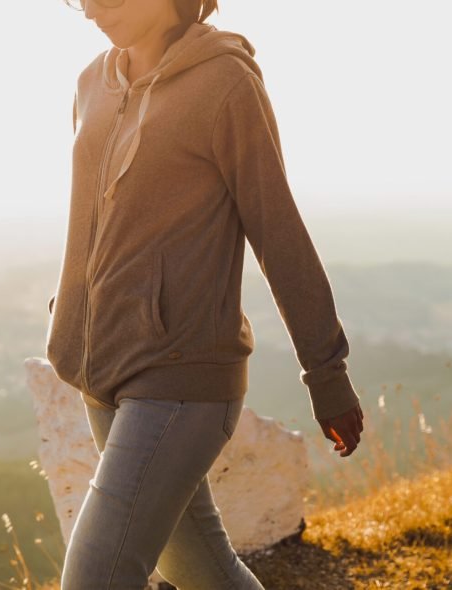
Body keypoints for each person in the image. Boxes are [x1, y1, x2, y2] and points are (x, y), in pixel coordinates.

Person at [43, 0, 367, 588]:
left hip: (181, 375)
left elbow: (277, 228)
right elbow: (95, 216)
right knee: (204, 574)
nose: (91, 6)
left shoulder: (224, 82)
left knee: (94, 580)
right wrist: (73, 311)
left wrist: (327, 372)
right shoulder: (92, 81)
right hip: (102, 369)